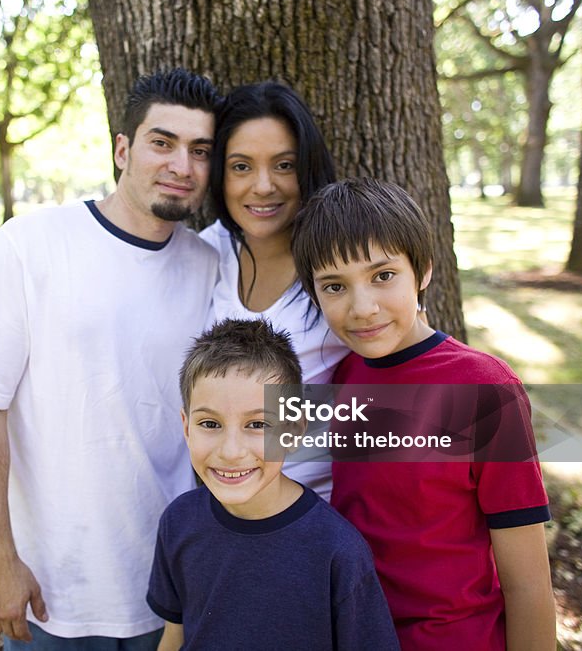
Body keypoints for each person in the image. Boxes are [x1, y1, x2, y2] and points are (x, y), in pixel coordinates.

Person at [0, 69, 222, 649]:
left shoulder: (209, 266)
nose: (181, 165)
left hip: (168, 586)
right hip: (53, 591)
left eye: (200, 151)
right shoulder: (30, 243)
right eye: (162, 142)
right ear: (123, 149)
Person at [290, 177, 556, 650]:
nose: (363, 307)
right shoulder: (343, 376)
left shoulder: (484, 388)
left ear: (424, 270)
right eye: (335, 286)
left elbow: (529, 584)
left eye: (383, 275)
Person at [147, 318, 399, 651]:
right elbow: (174, 637)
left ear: (294, 430)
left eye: (257, 424)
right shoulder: (178, 522)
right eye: (210, 423)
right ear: (186, 426)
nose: (231, 451)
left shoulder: (337, 550)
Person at [199, 81, 349, 500]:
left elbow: (419, 376)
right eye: (242, 166)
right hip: (226, 513)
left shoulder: (343, 261)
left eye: (283, 165)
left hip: (321, 516)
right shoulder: (207, 252)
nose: (263, 186)